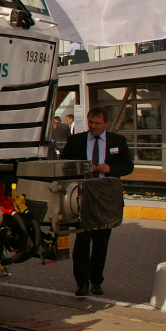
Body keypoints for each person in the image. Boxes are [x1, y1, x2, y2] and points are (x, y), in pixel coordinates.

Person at [60, 107, 134, 297]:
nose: (93, 126)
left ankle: (97, 281)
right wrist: (81, 168)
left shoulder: (118, 141)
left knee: (101, 243)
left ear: (106, 124)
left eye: (97, 124)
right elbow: (63, 164)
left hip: (106, 197)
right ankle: (81, 283)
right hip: (82, 196)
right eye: (90, 123)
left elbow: (128, 166)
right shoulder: (77, 140)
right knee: (82, 242)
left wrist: (110, 167)